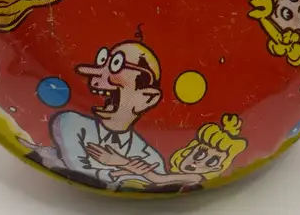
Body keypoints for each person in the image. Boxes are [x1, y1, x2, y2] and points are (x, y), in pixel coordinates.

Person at [22, 41, 166, 190]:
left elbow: (157, 183)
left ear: (147, 98)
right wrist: (126, 167)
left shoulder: (151, 158)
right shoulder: (70, 123)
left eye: (116, 65)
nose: (95, 80)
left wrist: (122, 165)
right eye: (102, 62)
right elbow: (78, 169)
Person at [102, 114, 248, 190]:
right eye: (200, 154)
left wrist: (122, 162)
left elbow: (158, 179)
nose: (198, 162)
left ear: (218, 167)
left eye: (211, 161)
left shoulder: (195, 177)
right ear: (190, 150)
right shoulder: (163, 165)